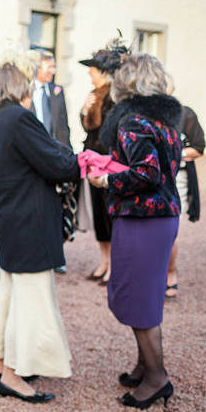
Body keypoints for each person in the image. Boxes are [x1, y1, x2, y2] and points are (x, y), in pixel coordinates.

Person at [0, 45, 80, 404]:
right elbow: (56, 163)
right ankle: (12, 375)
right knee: (31, 299)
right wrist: (81, 163)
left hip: (9, 216)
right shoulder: (19, 118)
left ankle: (1, 362)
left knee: (10, 293)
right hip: (29, 218)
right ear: (22, 87)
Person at [88, 53, 182, 410]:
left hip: (143, 219)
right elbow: (161, 169)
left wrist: (107, 178)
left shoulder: (134, 122)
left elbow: (147, 173)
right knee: (146, 295)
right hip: (163, 218)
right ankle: (145, 364)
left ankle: (157, 378)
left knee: (136, 297)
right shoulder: (165, 122)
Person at [78, 41, 129, 286]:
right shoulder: (95, 94)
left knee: (109, 213)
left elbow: (106, 130)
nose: (89, 72)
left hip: (107, 162)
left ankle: (114, 267)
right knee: (99, 213)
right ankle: (104, 261)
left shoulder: (113, 96)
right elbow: (88, 127)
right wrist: (85, 111)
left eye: (93, 69)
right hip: (92, 161)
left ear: (103, 71)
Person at [163, 73, 205, 298]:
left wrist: (174, 154)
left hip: (177, 180)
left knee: (170, 231)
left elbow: (199, 147)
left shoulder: (185, 114)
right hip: (154, 178)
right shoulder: (147, 117)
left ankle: (170, 272)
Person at [32, 50, 71, 148]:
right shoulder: (26, 91)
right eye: (49, 68)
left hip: (54, 149)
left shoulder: (57, 91)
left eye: (54, 67)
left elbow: (63, 126)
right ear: (37, 69)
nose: (53, 71)